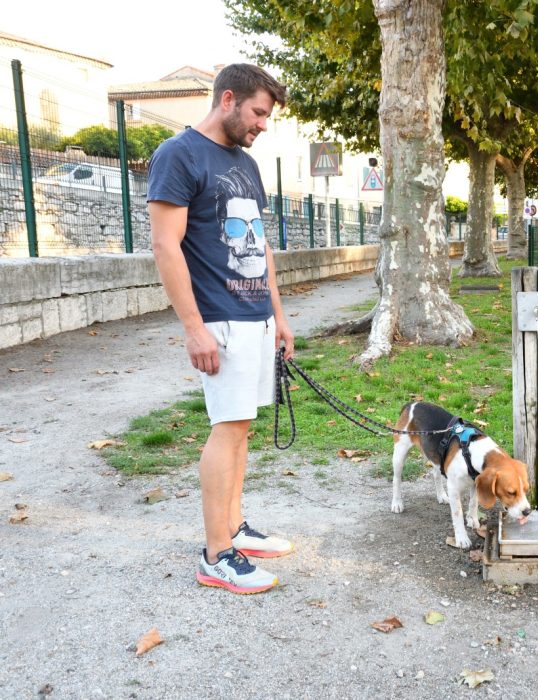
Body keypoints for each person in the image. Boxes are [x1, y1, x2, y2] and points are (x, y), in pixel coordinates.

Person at [148, 64, 294, 595]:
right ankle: (216, 555)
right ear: (227, 99)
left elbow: (260, 246)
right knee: (226, 427)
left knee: (242, 425)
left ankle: (233, 528)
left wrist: (279, 317)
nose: (262, 124)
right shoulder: (178, 154)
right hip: (218, 315)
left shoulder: (246, 164)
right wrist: (194, 329)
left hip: (255, 316)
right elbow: (166, 246)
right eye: (257, 113)